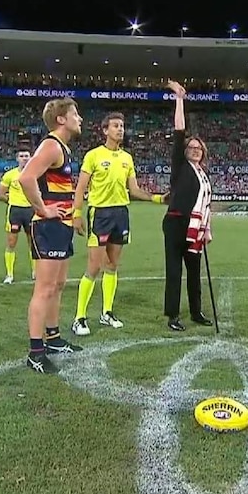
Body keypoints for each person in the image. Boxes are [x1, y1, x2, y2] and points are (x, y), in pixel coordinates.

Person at [71, 112, 164, 336]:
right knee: (94, 266)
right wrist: (76, 213)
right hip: (100, 213)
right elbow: (81, 187)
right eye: (115, 126)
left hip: (120, 213)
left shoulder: (127, 158)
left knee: (112, 265)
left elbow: (134, 190)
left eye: (122, 126)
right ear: (105, 130)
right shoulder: (93, 156)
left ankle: (106, 312)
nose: (120, 129)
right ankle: (79, 318)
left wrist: (157, 198)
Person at [18, 97, 84, 374]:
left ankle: (53, 338)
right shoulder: (51, 145)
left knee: (57, 286)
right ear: (61, 119)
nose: (79, 119)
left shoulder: (63, 149)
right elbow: (26, 178)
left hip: (63, 225)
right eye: (75, 114)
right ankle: (35, 352)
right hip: (48, 227)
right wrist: (43, 210)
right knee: (44, 289)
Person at [161, 80, 214, 331]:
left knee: (194, 271)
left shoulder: (203, 175)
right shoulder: (180, 167)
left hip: (195, 229)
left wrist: (208, 230)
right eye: (191, 148)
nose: (194, 150)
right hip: (176, 223)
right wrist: (180, 99)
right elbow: (179, 131)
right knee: (174, 271)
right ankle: (172, 315)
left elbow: (207, 206)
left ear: (203, 152)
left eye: (198, 148)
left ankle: (196, 312)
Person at [0, 147, 35, 284]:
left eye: (27, 155)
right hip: (15, 211)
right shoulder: (10, 175)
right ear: (17, 158)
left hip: (31, 211)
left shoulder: (36, 174)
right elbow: (1, 194)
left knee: (33, 243)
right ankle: (9, 274)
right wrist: (12, 201)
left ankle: (35, 272)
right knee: (11, 243)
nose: (25, 158)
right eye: (22, 156)